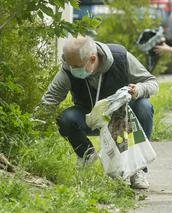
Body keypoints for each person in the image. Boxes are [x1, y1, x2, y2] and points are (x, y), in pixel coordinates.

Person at [35, 36, 159, 189]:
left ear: (92, 59)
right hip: (90, 117)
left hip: (121, 119)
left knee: (144, 106)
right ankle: (87, 155)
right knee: (65, 118)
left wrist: (139, 90)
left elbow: (152, 82)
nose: (72, 69)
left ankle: (137, 170)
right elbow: (50, 99)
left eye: (76, 66)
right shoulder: (68, 68)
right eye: (69, 64)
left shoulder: (121, 58)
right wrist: (31, 126)